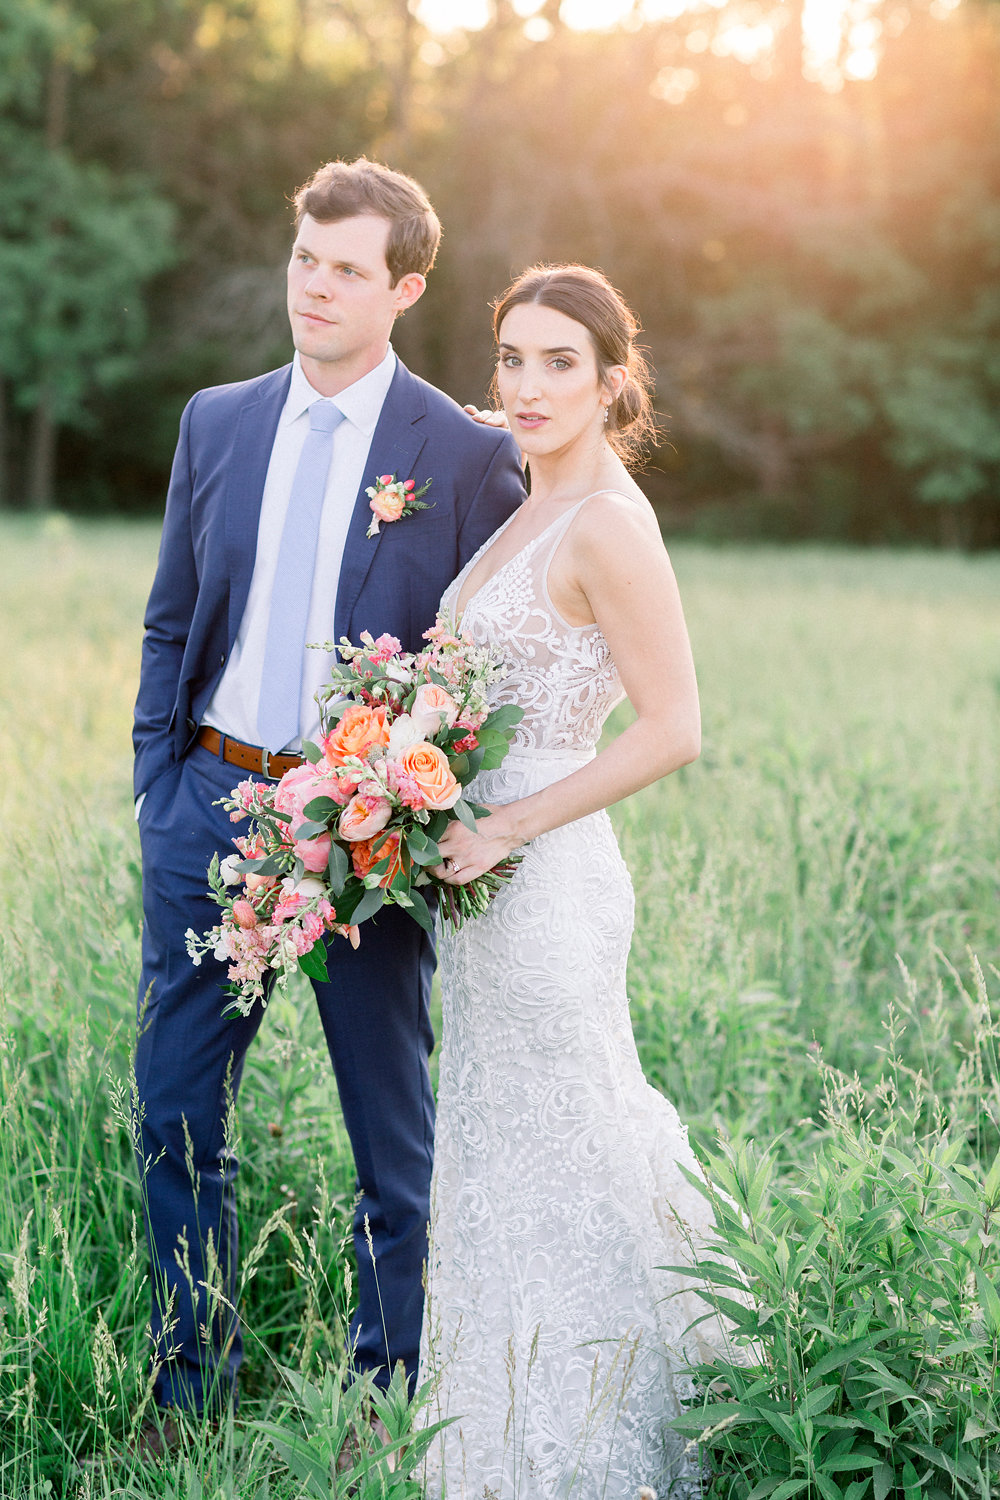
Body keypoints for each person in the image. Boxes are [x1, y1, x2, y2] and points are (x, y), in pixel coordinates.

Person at [131, 157, 525, 1435]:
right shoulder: (219, 419)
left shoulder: (462, 458)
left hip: (367, 840)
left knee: (390, 1143)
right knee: (178, 1114)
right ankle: (189, 1389)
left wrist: (412, 815)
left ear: (404, 288)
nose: (317, 287)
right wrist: (159, 785)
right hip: (211, 805)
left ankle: (382, 1402)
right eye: (307, 258)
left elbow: (483, 670)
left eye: (349, 271)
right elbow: (173, 618)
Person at [420, 265, 732, 1498]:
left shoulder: (607, 519)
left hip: (547, 888)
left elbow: (673, 726)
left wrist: (509, 830)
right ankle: (495, 1423)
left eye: (561, 361)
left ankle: (593, 1439)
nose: (531, 384)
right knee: (501, 1146)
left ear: (613, 380)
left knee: (570, 1141)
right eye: (512, 358)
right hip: (481, 888)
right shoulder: (521, 508)